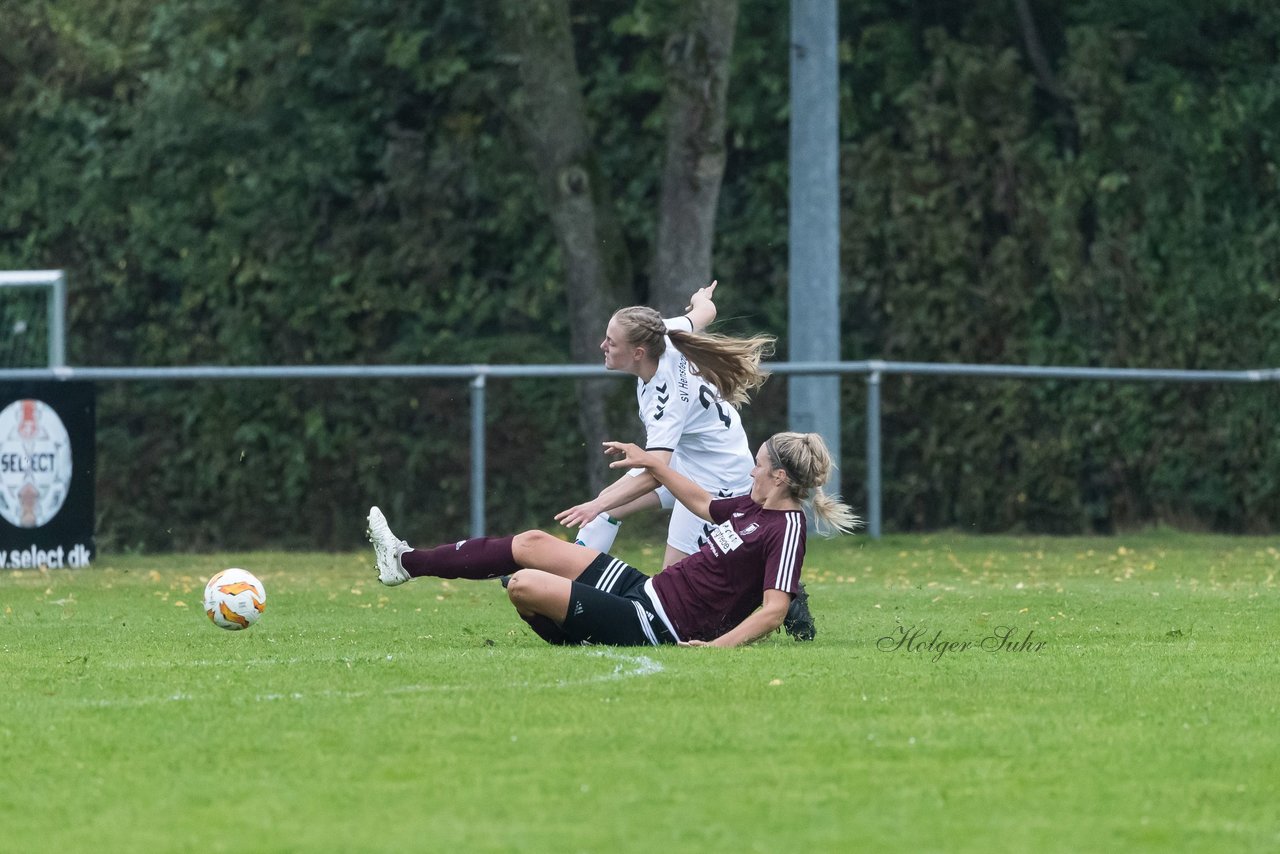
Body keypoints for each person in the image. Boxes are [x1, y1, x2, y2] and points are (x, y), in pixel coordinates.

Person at [365, 432, 859, 648]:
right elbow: (705, 505)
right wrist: (655, 463)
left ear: (776, 475)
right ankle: (405, 561)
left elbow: (775, 608)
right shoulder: (755, 504)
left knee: (522, 586)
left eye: (757, 461)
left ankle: (573, 621)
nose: (749, 467)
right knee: (535, 542)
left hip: (657, 624)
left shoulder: (786, 527)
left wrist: (719, 649)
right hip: (645, 591)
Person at [553, 282, 819, 640]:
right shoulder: (666, 332)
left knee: (671, 589)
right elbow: (703, 314)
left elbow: (653, 475)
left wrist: (594, 503)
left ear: (638, 352)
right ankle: (562, 584)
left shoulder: (666, 400)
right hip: (696, 460)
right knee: (608, 509)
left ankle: (773, 594)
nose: (603, 346)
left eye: (610, 341)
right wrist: (701, 298)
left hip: (715, 478)